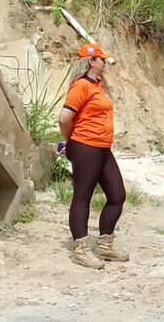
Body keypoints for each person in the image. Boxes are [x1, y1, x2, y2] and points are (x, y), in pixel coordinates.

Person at [58, 43, 128, 269]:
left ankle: (105, 245)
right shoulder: (81, 86)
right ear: (91, 61)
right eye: (102, 59)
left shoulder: (97, 86)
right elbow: (64, 118)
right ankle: (80, 249)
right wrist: (70, 140)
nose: (105, 62)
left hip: (101, 147)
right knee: (82, 196)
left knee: (117, 195)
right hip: (85, 146)